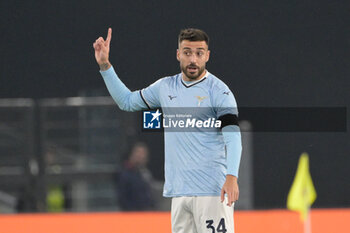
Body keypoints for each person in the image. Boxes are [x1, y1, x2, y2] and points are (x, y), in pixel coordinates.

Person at [93, 28, 242, 233]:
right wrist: (105, 65)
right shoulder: (165, 87)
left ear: (207, 56)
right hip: (179, 193)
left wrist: (232, 177)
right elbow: (127, 102)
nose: (193, 59)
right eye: (187, 52)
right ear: (178, 54)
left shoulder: (220, 91)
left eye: (199, 53)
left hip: (212, 192)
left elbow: (233, 138)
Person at [117, 142, 155, 211]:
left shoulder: (146, 173)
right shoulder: (125, 174)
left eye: (143, 153)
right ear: (132, 155)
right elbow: (123, 199)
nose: (141, 156)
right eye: (138, 153)